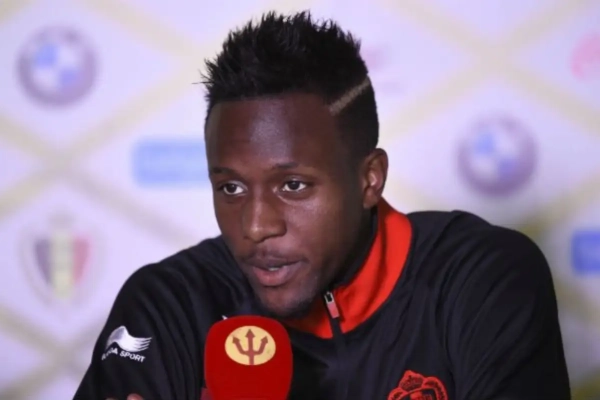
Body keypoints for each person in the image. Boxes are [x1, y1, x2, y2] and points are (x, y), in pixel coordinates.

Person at [73, 11, 571, 400]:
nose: (256, 226)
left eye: (292, 185)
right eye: (231, 188)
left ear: (370, 178)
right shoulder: (171, 303)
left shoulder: (480, 279)